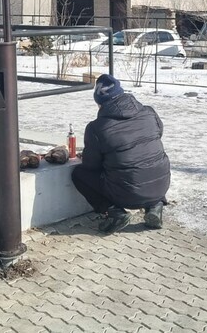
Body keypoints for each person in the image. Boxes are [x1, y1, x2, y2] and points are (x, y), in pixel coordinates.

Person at [71, 74, 170, 234]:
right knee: (148, 162)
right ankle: (155, 206)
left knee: (79, 174)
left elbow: (90, 166)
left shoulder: (97, 128)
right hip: (161, 185)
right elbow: (157, 135)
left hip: (127, 194)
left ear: (100, 103)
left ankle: (114, 212)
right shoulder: (150, 113)